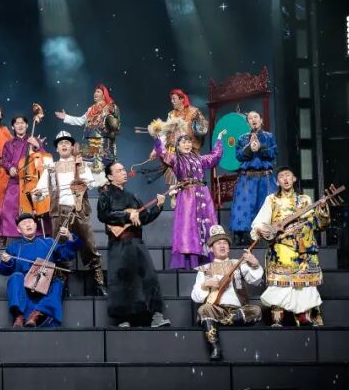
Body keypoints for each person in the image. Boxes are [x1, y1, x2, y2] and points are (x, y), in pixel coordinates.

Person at [252, 167, 330, 327]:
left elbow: (319, 224)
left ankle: (305, 317)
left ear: (294, 179)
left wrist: (321, 208)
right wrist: (261, 229)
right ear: (277, 182)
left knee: (305, 288)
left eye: (288, 175)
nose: (285, 179)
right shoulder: (272, 200)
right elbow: (260, 222)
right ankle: (277, 319)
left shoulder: (305, 200)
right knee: (280, 286)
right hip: (282, 250)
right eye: (281, 176)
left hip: (304, 250)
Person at [33, 131, 107, 296]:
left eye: (67, 142)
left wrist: (81, 178)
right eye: (61, 143)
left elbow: (91, 183)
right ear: (57, 149)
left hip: (78, 210)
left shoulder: (81, 164)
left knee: (89, 245)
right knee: (60, 248)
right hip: (59, 211)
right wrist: (37, 193)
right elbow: (40, 192)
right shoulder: (51, 168)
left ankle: (99, 283)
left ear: (72, 147)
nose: (64, 145)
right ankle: (61, 285)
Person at [96, 162, 170, 328]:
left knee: (149, 277)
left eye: (124, 169)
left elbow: (144, 218)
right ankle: (123, 319)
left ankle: (156, 316)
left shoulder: (133, 196)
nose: (124, 172)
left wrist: (159, 206)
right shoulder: (105, 195)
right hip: (119, 245)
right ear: (110, 176)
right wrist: (127, 216)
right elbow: (103, 215)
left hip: (137, 243)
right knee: (122, 279)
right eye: (119, 170)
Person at [153, 131, 225, 269]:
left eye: (189, 142)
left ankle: (207, 258)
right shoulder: (175, 159)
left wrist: (219, 141)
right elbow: (163, 154)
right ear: (178, 146)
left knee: (207, 224)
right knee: (188, 226)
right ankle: (189, 261)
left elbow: (214, 157)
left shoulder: (199, 159)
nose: (187, 144)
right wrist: (157, 140)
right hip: (187, 196)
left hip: (202, 194)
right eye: (184, 142)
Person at [190, 225, 264, 360]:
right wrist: (205, 285)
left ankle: (219, 322)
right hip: (217, 310)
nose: (222, 246)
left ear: (229, 247)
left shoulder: (239, 264)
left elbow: (255, 280)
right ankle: (215, 347)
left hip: (239, 310)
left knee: (256, 310)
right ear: (211, 249)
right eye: (218, 243)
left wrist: (255, 264)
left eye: (225, 243)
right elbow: (196, 297)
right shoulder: (205, 269)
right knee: (204, 309)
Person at [0, 213, 83, 327]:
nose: (28, 225)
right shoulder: (13, 247)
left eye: (30, 222)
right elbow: (3, 271)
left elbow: (66, 254)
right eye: (24, 223)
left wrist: (69, 236)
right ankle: (19, 316)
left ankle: (37, 314)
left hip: (45, 286)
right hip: (24, 289)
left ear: (35, 225)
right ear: (18, 229)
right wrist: (6, 261)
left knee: (58, 282)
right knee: (15, 276)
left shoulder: (48, 242)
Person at [229, 111, 277, 244]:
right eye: (250, 118)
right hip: (247, 179)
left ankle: (270, 237)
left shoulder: (269, 136)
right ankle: (243, 238)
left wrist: (261, 147)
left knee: (267, 207)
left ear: (261, 120)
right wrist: (249, 147)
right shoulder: (242, 138)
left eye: (256, 117)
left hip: (265, 178)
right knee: (243, 208)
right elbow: (239, 156)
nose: (253, 120)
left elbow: (273, 153)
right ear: (247, 122)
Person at [54, 83, 121, 172]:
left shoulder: (110, 108)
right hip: (89, 145)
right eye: (95, 92)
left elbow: (116, 127)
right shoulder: (91, 109)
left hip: (103, 145)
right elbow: (80, 121)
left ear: (104, 94)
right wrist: (66, 117)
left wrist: (108, 124)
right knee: (87, 170)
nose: (95, 94)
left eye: (98, 92)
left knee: (104, 172)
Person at [0, 115, 42, 247]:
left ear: (27, 125)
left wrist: (37, 146)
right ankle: (9, 234)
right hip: (15, 181)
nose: (20, 125)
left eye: (22, 123)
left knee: (34, 208)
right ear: (13, 127)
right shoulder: (8, 144)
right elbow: (5, 160)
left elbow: (43, 158)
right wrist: (10, 168)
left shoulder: (33, 140)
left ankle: (35, 236)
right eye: (17, 123)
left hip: (30, 181)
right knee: (8, 207)